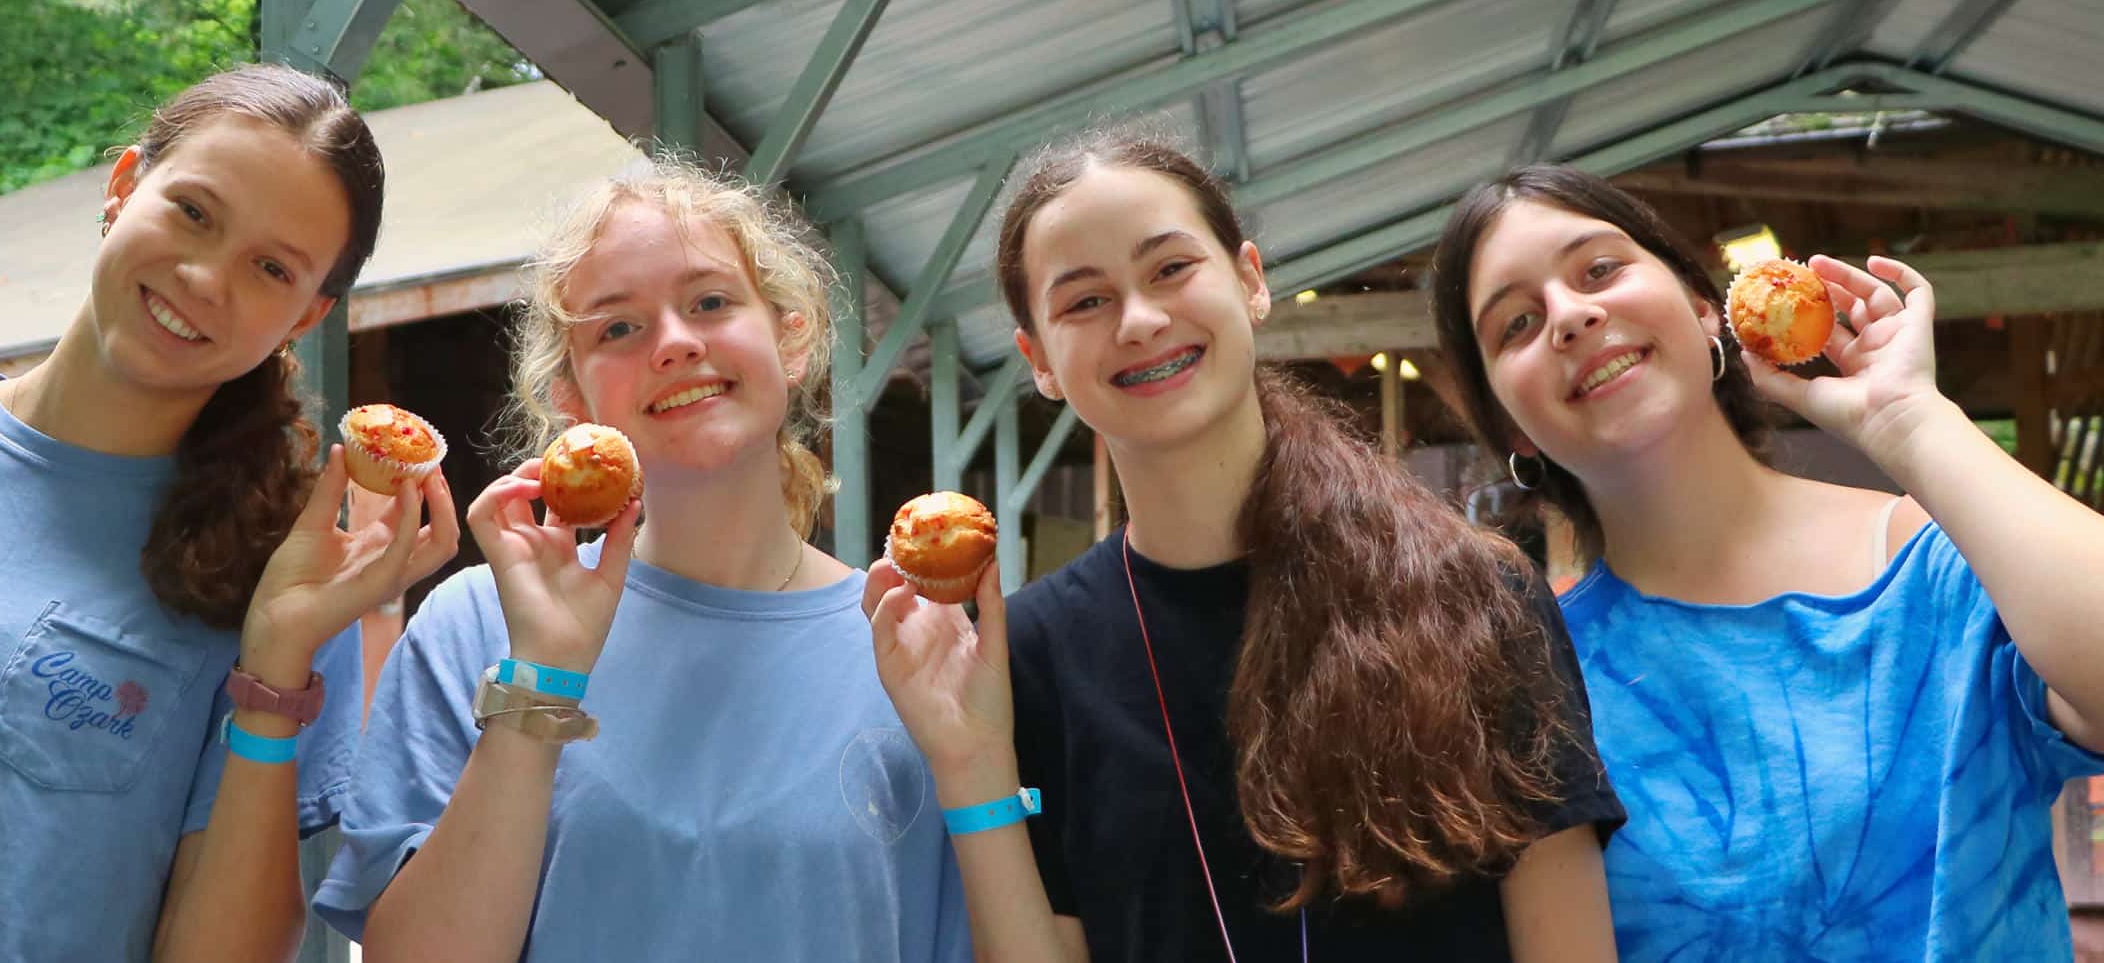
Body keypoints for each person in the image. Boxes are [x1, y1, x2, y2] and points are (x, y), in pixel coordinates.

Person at [0, 63, 457, 961]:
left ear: (307, 315)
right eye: (193, 211)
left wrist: (276, 664)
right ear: (122, 185)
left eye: (270, 267)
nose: (205, 277)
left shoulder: (278, 575)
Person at [865, 130, 1623, 961]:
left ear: (1250, 281)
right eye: (1085, 301)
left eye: (1171, 269)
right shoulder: (1029, 654)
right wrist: (971, 764)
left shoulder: (1475, 591)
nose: (1142, 321)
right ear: (1039, 360)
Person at [1427, 163, 2104, 959]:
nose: (1571, 315)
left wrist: (1912, 420)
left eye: (1601, 269)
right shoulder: (1531, 682)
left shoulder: (1938, 561)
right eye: (1516, 324)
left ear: (1703, 306)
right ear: (1511, 426)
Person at [319, 157, 971, 962]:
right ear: (574, 400)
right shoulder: (479, 626)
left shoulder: (916, 648)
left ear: (791, 337)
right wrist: (540, 679)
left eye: (710, 301)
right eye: (617, 328)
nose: (674, 343)